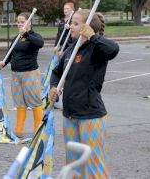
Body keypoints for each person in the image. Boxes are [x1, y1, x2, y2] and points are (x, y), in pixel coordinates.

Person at [49, 9, 119, 178]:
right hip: (70, 114)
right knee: (73, 162)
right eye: (71, 22)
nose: (70, 26)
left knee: (93, 161)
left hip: (91, 115)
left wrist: (93, 37)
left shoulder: (96, 48)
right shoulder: (70, 50)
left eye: (75, 23)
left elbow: (114, 49)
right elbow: (57, 72)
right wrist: (53, 86)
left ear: (87, 27)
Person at [0, 12, 44, 138]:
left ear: (29, 22)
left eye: (22, 22)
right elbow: (10, 53)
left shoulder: (34, 36)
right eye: (18, 22)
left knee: (34, 101)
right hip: (15, 74)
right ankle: (19, 129)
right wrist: (4, 62)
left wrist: (26, 34)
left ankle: (37, 129)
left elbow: (40, 44)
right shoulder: (16, 38)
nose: (19, 24)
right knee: (19, 103)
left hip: (30, 73)